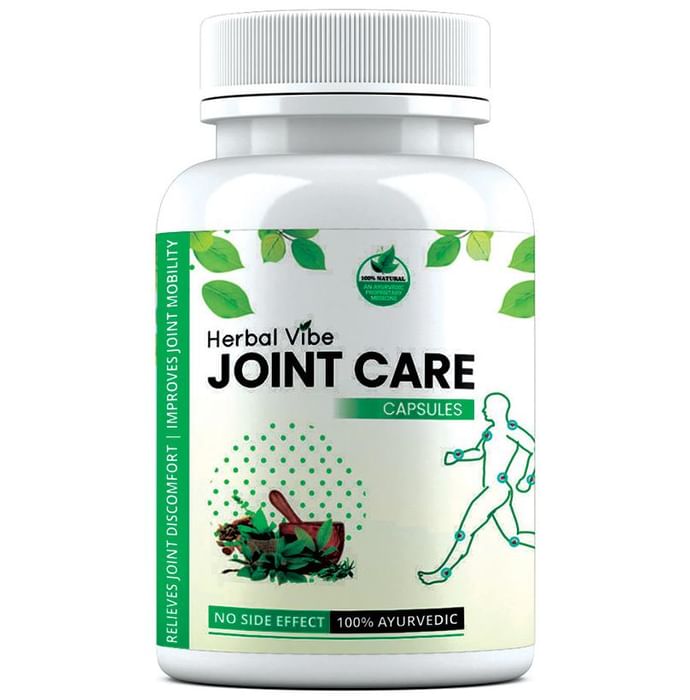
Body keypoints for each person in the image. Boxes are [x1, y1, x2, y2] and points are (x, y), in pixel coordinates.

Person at [418, 392, 535, 586]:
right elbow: (479, 452)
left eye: (487, 407)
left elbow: (534, 448)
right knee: (515, 536)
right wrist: (458, 456)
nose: (483, 410)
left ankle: (441, 573)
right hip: (497, 491)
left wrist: (527, 478)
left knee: (465, 530)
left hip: (495, 491)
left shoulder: (510, 431)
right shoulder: (490, 432)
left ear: (497, 410)